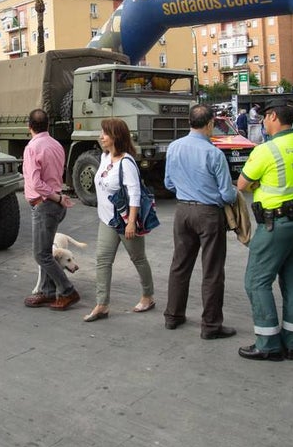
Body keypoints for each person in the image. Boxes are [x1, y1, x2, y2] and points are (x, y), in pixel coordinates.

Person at [236, 102, 293, 362]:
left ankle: (268, 343)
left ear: (272, 117)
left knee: (256, 282)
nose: (262, 123)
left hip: (276, 223)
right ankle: (291, 344)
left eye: (264, 119)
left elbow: (242, 184)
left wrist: (258, 182)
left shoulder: (266, 150)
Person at [162, 104, 238, 339]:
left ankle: (173, 316)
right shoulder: (214, 153)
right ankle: (211, 326)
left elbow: (168, 183)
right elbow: (226, 194)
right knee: (212, 270)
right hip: (208, 214)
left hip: (182, 212)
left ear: (189, 123)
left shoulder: (174, 148)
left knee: (180, 265)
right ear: (210, 124)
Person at [83, 118, 155, 323]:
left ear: (116, 136)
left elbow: (134, 194)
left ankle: (148, 296)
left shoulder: (127, 162)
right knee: (103, 261)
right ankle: (102, 304)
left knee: (138, 258)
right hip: (106, 220)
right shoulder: (105, 157)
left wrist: (132, 222)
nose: (100, 137)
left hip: (124, 221)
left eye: (104, 133)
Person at [21, 109, 80, 311]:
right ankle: (47, 292)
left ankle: (67, 290)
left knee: (41, 255)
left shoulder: (32, 148)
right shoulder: (56, 145)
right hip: (54, 205)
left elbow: (36, 183)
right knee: (46, 251)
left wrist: (56, 197)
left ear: (29, 126)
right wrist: (59, 197)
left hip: (45, 204)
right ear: (48, 125)